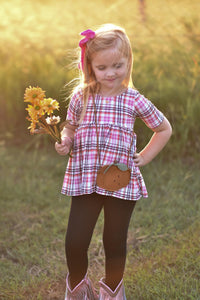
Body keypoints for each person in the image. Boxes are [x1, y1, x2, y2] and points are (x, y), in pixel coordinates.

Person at [55, 24, 172, 300]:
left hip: (120, 181)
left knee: (114, 242)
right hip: (85, 179)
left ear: (128, 62)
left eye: (118, 65)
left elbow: (164, 128)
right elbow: (69, 127)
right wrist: (65, 140)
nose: (111, 73)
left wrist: (143, 156)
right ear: (90, 67)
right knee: (75, 242)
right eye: (103, 67)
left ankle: (112, 290)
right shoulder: (80, 97)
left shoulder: (133, 99)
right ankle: (78, 288)